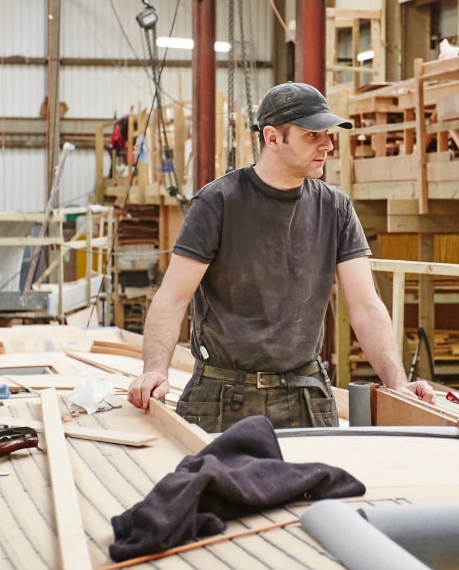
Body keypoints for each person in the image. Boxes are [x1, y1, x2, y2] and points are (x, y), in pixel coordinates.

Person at [127, 81, 435, 432]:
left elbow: (366, 306)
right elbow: (172, 298)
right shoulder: (218, 203)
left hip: (306, 396)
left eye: (329, 134)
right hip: (222, 396)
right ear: (272, 138)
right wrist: (155, 370)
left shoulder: (334, 207)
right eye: (312, 136)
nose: (328, 145)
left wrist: (396, 382)